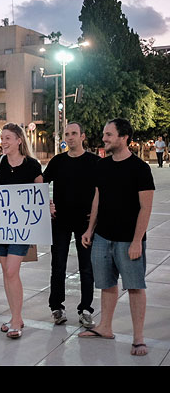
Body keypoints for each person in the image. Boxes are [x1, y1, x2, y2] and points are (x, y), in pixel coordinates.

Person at [80, 119, 154, 357]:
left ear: (124, 137)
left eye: (109, 135)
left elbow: (146, 208)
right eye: (104, 134)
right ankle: (105, 327)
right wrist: (90, 230)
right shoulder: (102, 166)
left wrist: (136, 241)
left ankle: (138, 338)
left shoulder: (140, 169)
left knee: (134, 287)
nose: (104, 138)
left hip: (127, 240)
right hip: (102, 237)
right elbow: (97, 199)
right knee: (106, 284)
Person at [0, 123, 43, 339]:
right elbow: (0, 193)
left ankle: (16, 320)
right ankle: (16, 317)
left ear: (19, 140)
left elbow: (39, 194)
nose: (2, 142)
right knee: (7, 273)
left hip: (21, 228)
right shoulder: (1, 162)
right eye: (1, 138)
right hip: (2, 226)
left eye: (7, 138)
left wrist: (46, 206)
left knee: (12, 271)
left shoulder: (32, 165)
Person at [43, 122, 99, 328]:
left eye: (74, 133)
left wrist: (95, 218)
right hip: (60, 221)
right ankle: (56, 307)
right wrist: (47, 205)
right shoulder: (57, 162)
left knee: (87, 267)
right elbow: (40, 184)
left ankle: (86, 309)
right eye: (67, 134)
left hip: (85, 223)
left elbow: (102, 191)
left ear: (82, 136)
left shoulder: (94, 162)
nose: (70, 137)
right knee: (58, 265)